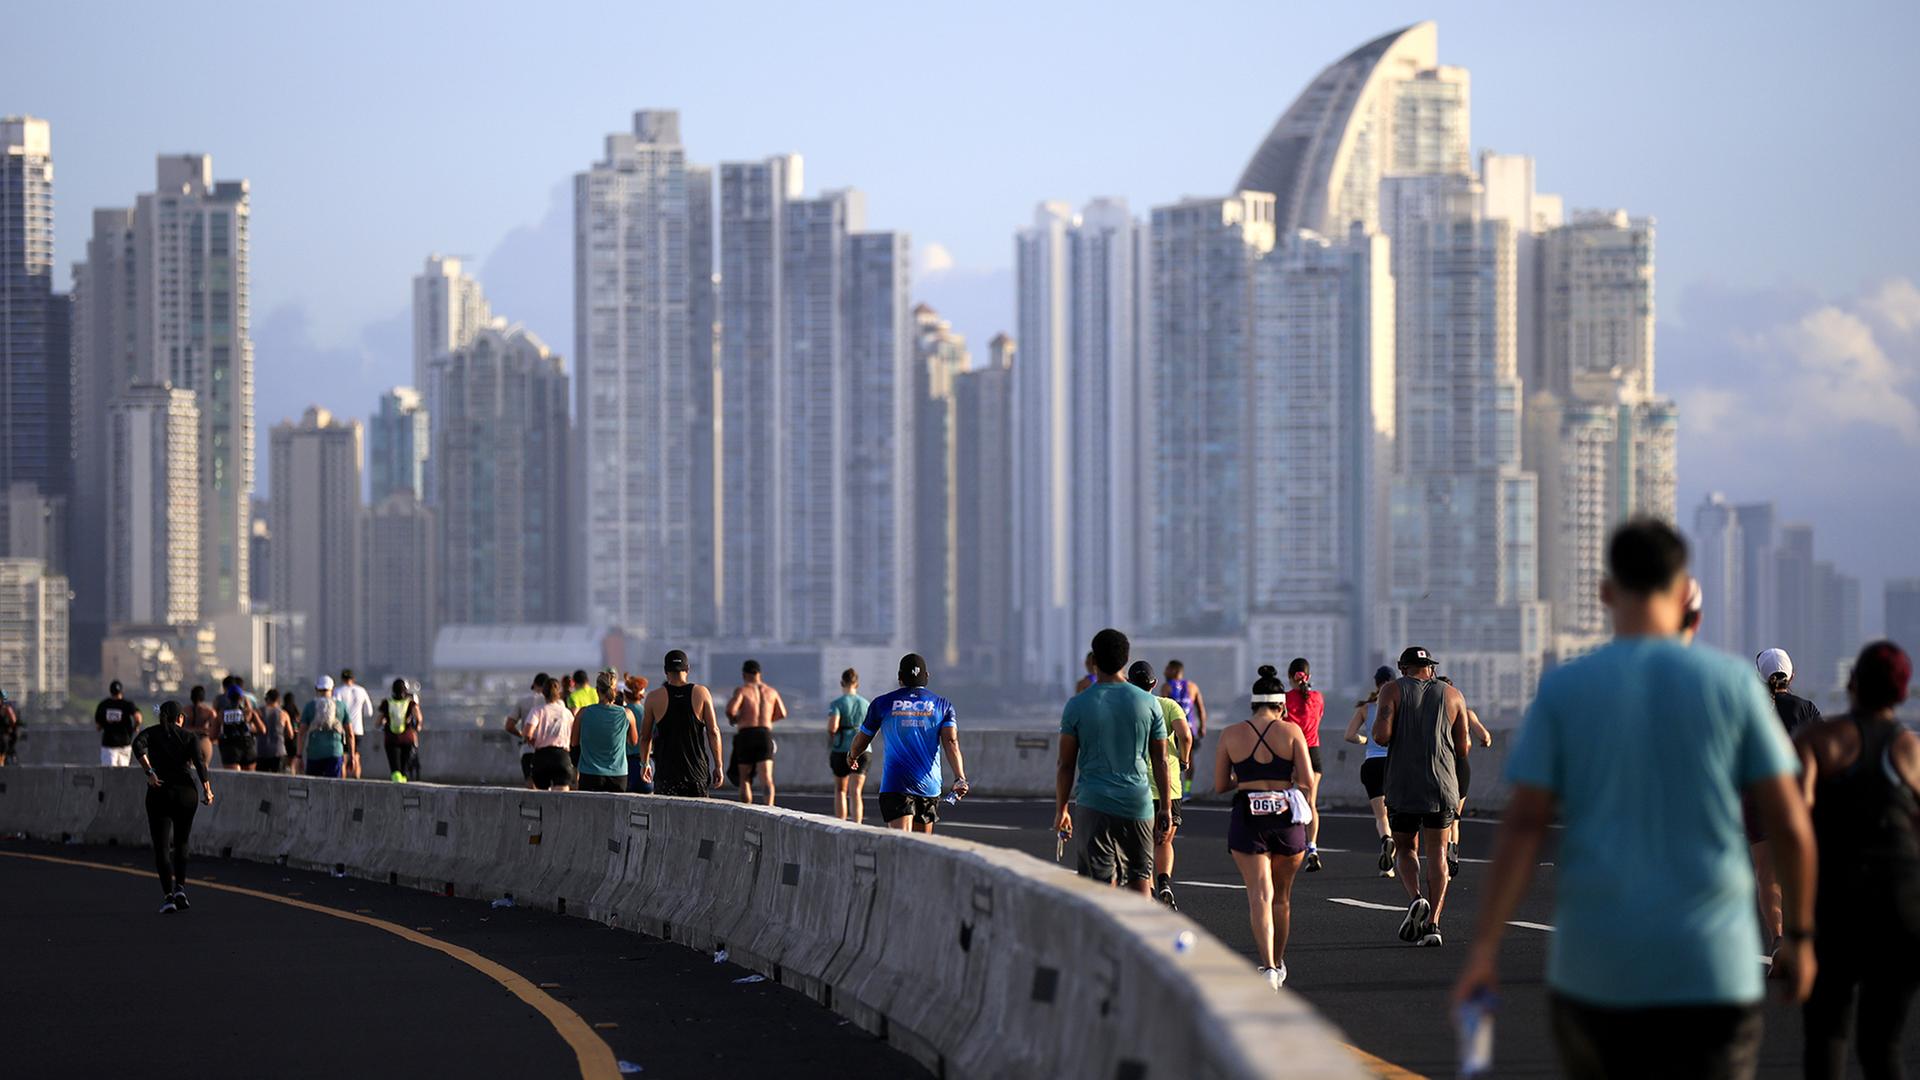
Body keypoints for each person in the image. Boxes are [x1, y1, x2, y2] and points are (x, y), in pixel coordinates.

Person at [1454, 518, 1816, 1080]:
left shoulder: (1565, 690)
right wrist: (1800, 938)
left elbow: (1523, 829)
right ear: (1684, 593)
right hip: (1713, 968)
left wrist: (1483, 949)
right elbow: (1791, 825)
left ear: (1606, 593)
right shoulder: (1733, 686)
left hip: (1597, 970)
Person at [1795, 641, 1920, 1080]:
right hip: (1902, 907)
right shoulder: (1912, 751)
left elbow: (1796, 827)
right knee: (1883, 1048)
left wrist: (1796, 930)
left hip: (1838, 904)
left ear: (1852, 683)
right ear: (1901, 693)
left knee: (1826, 1039)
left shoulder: (1818, 740)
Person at [1217, 665, 1315, 990]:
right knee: (1281, 898)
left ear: (1253, 703)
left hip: (1247, 816)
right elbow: (1306, 780)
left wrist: (1246, 779)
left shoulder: (1230, 734)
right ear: (1282, 705)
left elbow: (1220, 784)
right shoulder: (1292, 731)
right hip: (1286, 818)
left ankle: (1268, 966)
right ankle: (1280, 962)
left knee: (1259, 895)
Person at [1055, 630, 1170, 894]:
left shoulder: (1077, 705)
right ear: (1126, 660)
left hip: (1094, 802)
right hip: (1138, 802)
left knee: (1100, 887)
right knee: (1140, 879)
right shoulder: (1149, 703)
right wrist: (1164, 807)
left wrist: (1062, 809)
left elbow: (1065, 764)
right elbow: (1161, 760)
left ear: (1094, 660)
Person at [1373, 646, 1469, 947]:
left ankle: (1416, 898)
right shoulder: (1453, 695)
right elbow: (1463, 747)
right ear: (1431, 668)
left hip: (1403, 784)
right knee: (1438, 852)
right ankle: (1433, 925)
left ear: (1403, 668)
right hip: (1442, 785)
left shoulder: (1391, 690)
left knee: (1405, 848)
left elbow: (1380, 736)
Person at [1748, 647, 1823, 957]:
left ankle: (1778, 938)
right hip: (1796, 799)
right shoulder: (1806, 709)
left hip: (1757, 799)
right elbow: (1820, 755)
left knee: (1767, 875)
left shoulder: (1750, 708)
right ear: (1792, 677)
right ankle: (1802, 937)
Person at [848, 653, 968, 833]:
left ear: (899, 677)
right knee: (921, 845)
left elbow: (863, 739)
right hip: (929, 786)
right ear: (926, 676)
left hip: (895, 784)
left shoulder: (882, 703)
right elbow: (951, 742)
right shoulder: (943, 705)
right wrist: (960, 778)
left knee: (900, 841)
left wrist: (852, 756)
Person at [132, 701, 213, 913]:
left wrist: (150, 772)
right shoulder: (189, 736)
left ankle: (168, 897)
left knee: (161, 848)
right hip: (186, 794)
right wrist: (207, 790)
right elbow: (200, 763)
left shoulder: (152, 733)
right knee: (182, 842)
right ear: (180, 718)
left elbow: (137, 745)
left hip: (159, 792)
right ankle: (180, 889)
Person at [1129, 660, 1191, 909]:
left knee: (1141, 845)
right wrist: (1184, 760)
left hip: (1137, 785)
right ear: (1154, 683)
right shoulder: (1168, 705)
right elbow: (1186, 735)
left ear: (1129, 684)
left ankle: (1150, 892)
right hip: (1169, 786)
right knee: (1164, 841)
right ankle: (1164, 882)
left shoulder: (1125, 710)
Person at [638, 651, 723, 798]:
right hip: (696, 773)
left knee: (666, 813)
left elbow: (645, 737)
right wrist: (718, 765)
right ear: (687, 669)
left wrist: (644, 764)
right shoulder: (701, 693)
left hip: (666, 774)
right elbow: (713, 731)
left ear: (666, 671)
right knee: (697, 812)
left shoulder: (653, 697)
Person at [1436, 675, 1494, 877]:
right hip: (1462, 767)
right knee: (1455, 819)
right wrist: (1484, 742)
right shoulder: (1466, 712)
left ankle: (1443, 858)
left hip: (1442, 767)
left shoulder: (1435, 713)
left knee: (1441, 818)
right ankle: (1452, 853)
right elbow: (1485, 737)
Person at [1343, 666, 1397, 878]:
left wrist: (1366, 740)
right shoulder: (1400, 707)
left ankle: (1386, 843)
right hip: (1394, 764)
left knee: (1381, 816)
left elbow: (1349, 735)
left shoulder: (1366, 708)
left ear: (1376, 683)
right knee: (1397, 815)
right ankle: (1393, 863)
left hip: (1372, 764)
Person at [1285, 658, 1326, 871]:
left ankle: (1292, 846)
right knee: (1311, 803)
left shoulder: (1285, 699)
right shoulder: (1318, 697)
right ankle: (1312, 848)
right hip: (1313, 752)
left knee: (1288, 801)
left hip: (1293, 752)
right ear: (1308, 676)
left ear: (1290, 677)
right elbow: (1318, 718)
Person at [725, 659, 786, 805]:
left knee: (745, 778)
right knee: (767, 778)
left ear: (744, 674)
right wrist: (767, 720)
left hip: (746, 734)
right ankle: (769, 808)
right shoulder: (771, 692)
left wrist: (735, 719)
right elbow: (782, 713)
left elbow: (731, 710)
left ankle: (747, 808)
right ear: (759, 674)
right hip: (764, 734)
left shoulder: (743, 690)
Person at [575, 671, 638, 793]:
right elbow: (633, 742)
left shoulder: (583, 713)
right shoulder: (627, 714)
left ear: (597, 690)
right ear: (615, 691)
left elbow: (574, 742)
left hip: (589, 774)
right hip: (618, 775)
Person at [828, 669, 871, 823]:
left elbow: (833, 726)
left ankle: (841, 823)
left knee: (841, 790)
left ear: (842, 683)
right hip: (863, 750)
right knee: (856, 792)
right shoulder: (866, 704)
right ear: (857, 684)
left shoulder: (837, 703)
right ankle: (857, 825)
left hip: (841, 749)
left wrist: (832, 736)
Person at [1160, 660, 1207, 796]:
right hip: (1189, 730)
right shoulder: (1193, 687)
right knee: (1188, 760)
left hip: (1172, 730)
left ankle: (1172, 789)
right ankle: (1187, 790)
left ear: (1174, 670)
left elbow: (1161, 709)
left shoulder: (1166, 687)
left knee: (1167, 759)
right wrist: (1202, 726)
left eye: (1167, 669)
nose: (1164, 672)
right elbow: (1201, 709)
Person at [520, 675, 575, 791]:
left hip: (542, 756)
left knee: (542, 795)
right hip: (561, 756)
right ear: (558, 693)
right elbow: (574, 735)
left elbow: (527, 733)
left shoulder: (537, 710)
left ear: (544, 693)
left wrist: (532, 742)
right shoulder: (566, 713)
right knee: (562, 793)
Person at [299, 676, 354, 778]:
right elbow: (350, 734)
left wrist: (299, 756)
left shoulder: (309, 706)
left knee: (314, 786)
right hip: (335, 752)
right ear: (332, 689)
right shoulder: (341, 706)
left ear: (316, 689)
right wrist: (352, 756)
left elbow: (301, 733)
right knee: (333, 786)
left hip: (314, 753)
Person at [504, 673, 550, 789]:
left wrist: (523, 735)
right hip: (547, 749)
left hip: (527, 749)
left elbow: (509, 726)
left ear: (534, 685)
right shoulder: (551, 703)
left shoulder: (523, 701)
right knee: (546, 787)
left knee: (531, 786)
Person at [377, 679, 422, 781]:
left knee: (395, 768)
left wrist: (383, 724)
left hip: (391, 739)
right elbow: (419, 718)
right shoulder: (410, 703)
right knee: (404, 768)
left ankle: (396, 781)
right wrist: (417, 727)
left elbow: (378, 722)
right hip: (407, 738)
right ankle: (403, 782)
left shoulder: (387, 703)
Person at [334, 669, 373, 779]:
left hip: (342, 729)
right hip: (357, 729)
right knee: (356, 756)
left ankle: (342, 782)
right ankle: (357, 781)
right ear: (353, 679)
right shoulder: (361, 691)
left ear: (342, 679)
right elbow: (369, 712)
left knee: (343, 758)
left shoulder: (338, 691)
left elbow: (336, 710)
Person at [95, 680, 143, 766]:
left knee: (109, 772)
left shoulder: (104, 705)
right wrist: (136, 727)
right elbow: (138, 718)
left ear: (110, 691)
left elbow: (98, 726)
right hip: (125, 744)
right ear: (121, 691)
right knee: (123, 772)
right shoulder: (127, 704)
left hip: (109, 745)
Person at [215, 685, 262, 771]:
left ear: (228, 698)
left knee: (232, 776)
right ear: (242, 698)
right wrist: (250, 729)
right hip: (247, 745)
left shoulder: (222, 713)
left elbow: (213, 734)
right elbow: (262, 729)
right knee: (249, 777)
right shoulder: (248, 712)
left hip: (229, 747)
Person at [622, 675, 653, 794]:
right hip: (647, 763)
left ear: (625, 694)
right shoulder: (648, 713)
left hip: (626, 765)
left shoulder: (620, 713)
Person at [253, 688, 295, 774]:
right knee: (278, 779)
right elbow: (290, 734)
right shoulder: (283, 714)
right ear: (278, 700)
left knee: (261, 779)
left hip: (262, 752)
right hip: (278, 752)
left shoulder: (258, 712)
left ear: (267, 699)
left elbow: (252, 729)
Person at [280, 692, 301, 773]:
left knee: (284, 763)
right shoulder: (296, 712)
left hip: (284, 739)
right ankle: (292, 775)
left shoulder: (282, 710)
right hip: (295, 740)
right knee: (292, 764)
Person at [0, 688, 19, 766]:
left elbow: (14, 721)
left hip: (5, 733)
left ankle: (4, 758)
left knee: (4, 742)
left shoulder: (7, 708)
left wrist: (11, 729)